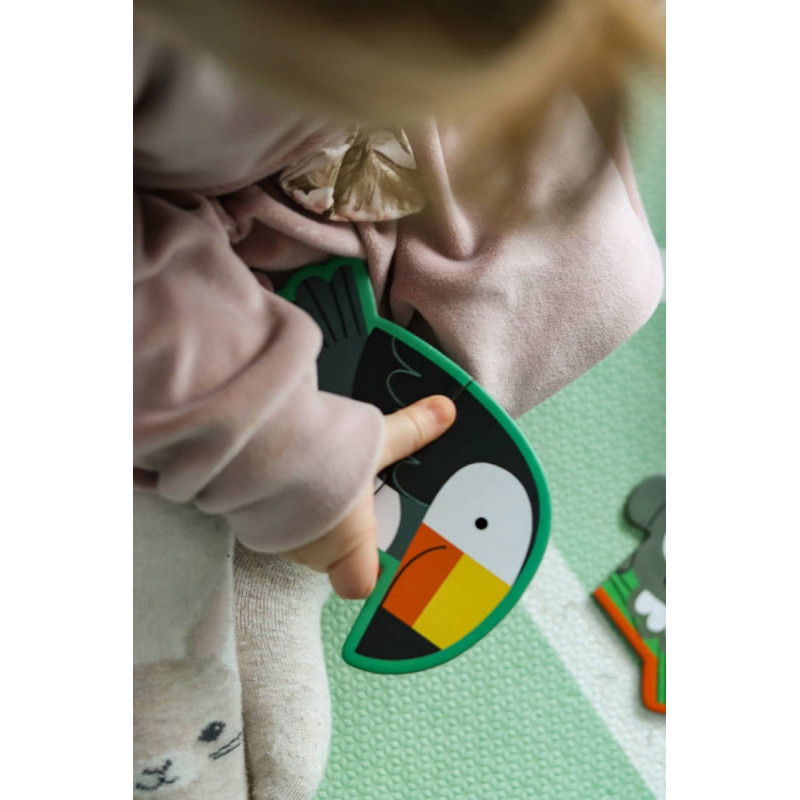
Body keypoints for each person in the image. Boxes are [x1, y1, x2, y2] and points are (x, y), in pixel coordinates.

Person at [133, 1, 664, 797]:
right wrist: (267, 436)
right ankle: (244, 505)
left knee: (606, 273)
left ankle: (317, 519)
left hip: (386, 140)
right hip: (172, 233)